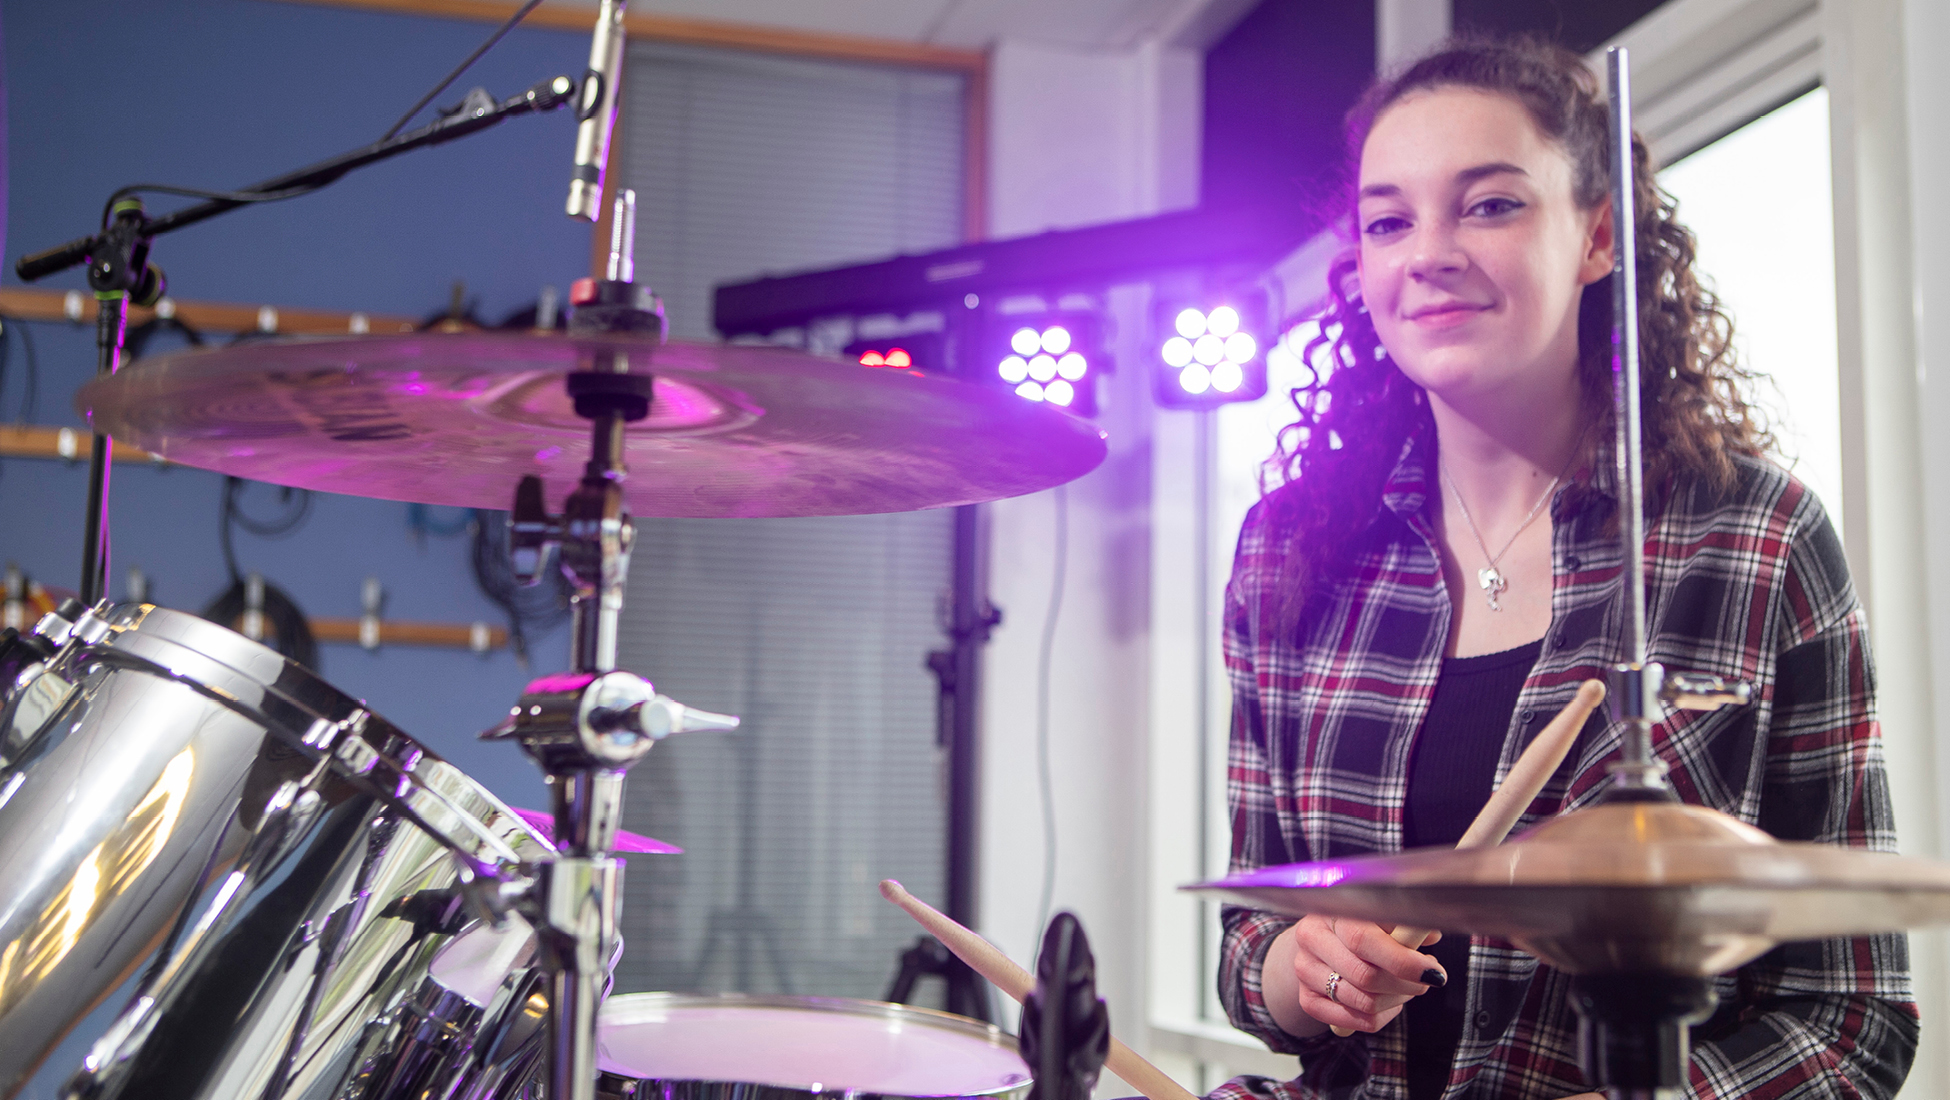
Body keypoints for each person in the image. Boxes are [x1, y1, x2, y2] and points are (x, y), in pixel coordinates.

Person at [1214, 36, 1916, 1100]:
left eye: (1489, 204)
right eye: (1389, 220)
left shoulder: (1757, 535)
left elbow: (1853, 1016)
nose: (1428, 252)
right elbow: (1243, 941)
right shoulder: (1290, 550)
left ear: (1597, 236)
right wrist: (1290, 966)